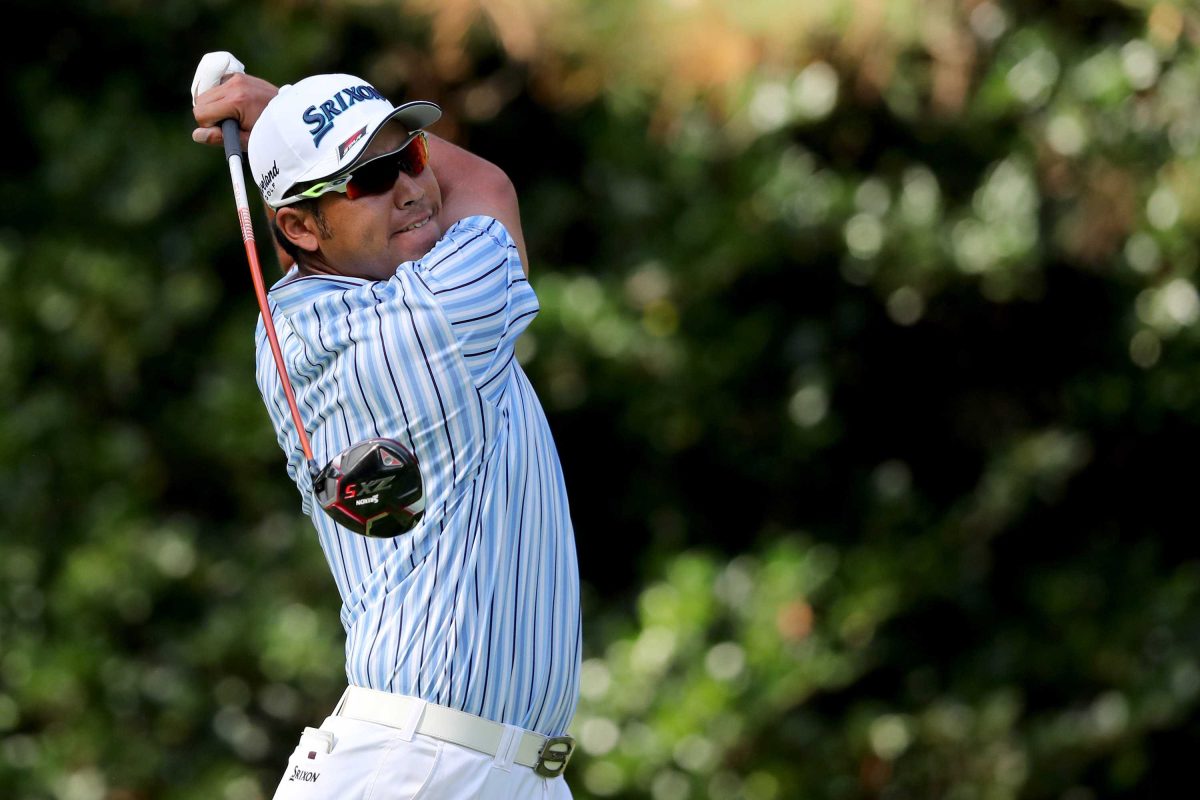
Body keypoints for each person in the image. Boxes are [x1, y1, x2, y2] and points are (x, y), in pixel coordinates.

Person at [191, 66, 580, 799]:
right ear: (300, 226)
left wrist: (288, 131)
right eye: (367, 176)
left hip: (473, 766)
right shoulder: (427, 316)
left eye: (411, 155)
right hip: (422, 768)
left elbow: (437, 201)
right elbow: (489, 189)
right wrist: (276, 110)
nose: (408, 187)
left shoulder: (301, 324)